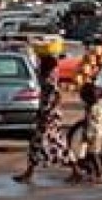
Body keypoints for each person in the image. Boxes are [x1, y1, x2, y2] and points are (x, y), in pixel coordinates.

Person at [14, 54, 77, 183]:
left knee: (41, 143)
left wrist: (47, 111)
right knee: (53, 143)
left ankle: (29, 173)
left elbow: (56, 95)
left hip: (49, 116)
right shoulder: (51, 75)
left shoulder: (50, 77)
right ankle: (75, 170)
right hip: (49, 114)